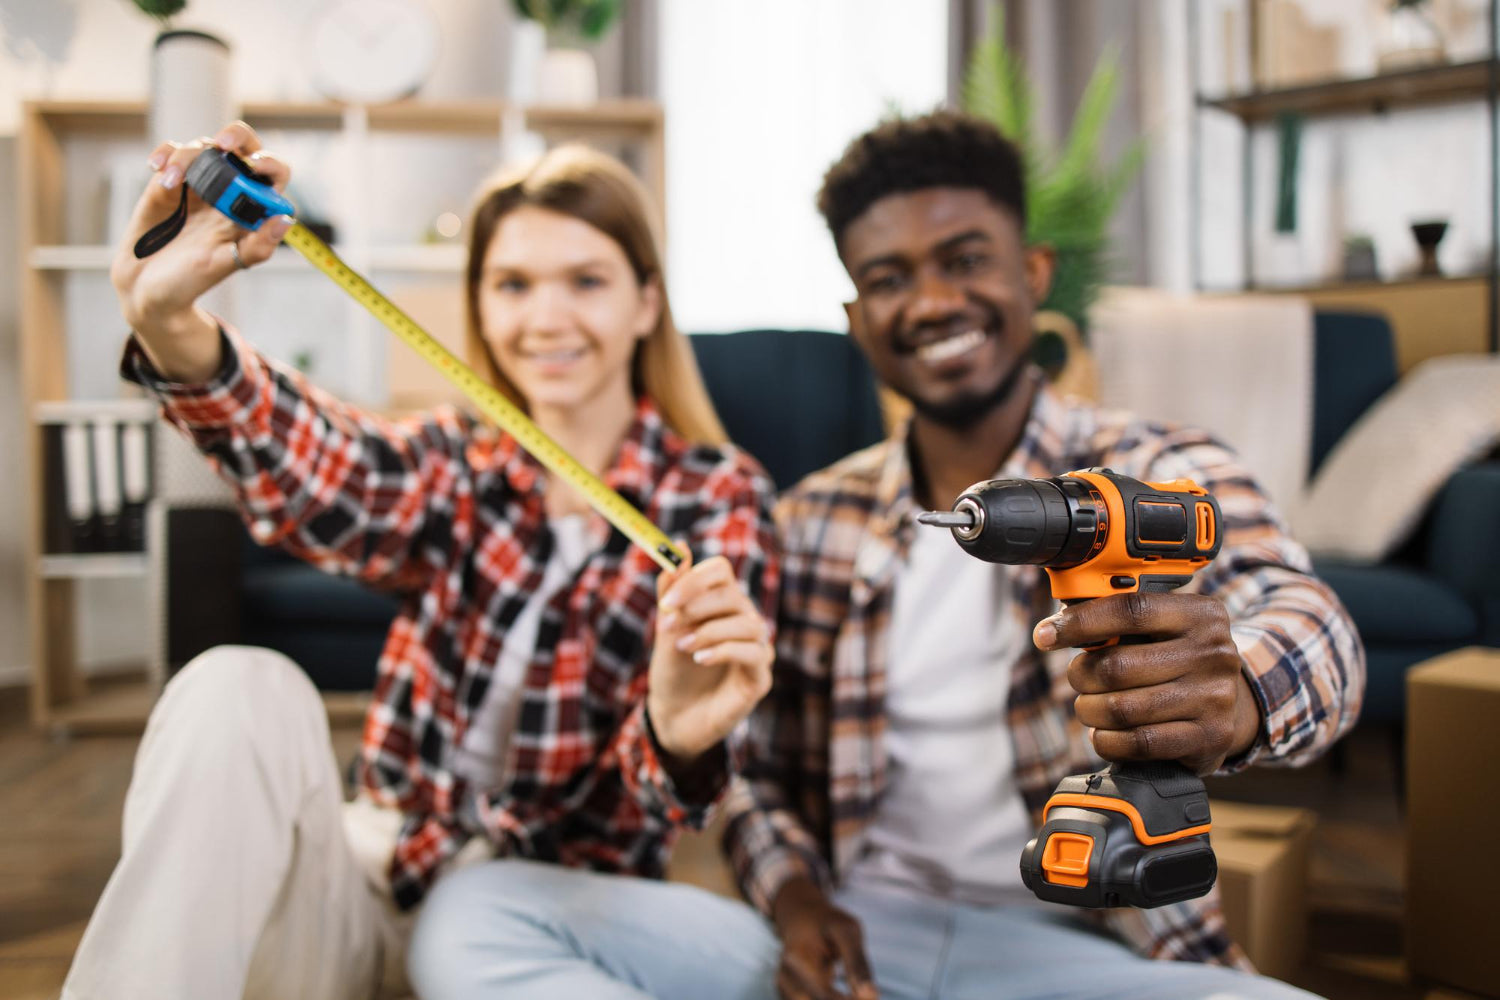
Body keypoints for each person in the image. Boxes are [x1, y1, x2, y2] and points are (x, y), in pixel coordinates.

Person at [411, 111, 1364, 1000]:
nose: (934, 302)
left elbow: (1313, 625)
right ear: (856, 315)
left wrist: (1240, 693)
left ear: (1033, 273)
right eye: (889, 278)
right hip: (857, 946)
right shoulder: (811, 517)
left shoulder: (1157, 468)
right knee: (481, 910)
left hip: (1080, 958)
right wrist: (795, 899)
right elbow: (752, 775)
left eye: (966, 260)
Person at [61, 122, 779, 1000]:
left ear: (646, 303)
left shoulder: (716, 499)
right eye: (512, 284)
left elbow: (683, 788)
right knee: (235, 685)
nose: (546, 318)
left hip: (543, 922)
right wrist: (170, 326)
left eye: (587, 281)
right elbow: (327, 467)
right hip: (374, 888)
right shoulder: (454, 464)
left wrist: (675, 734)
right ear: (480, 306)